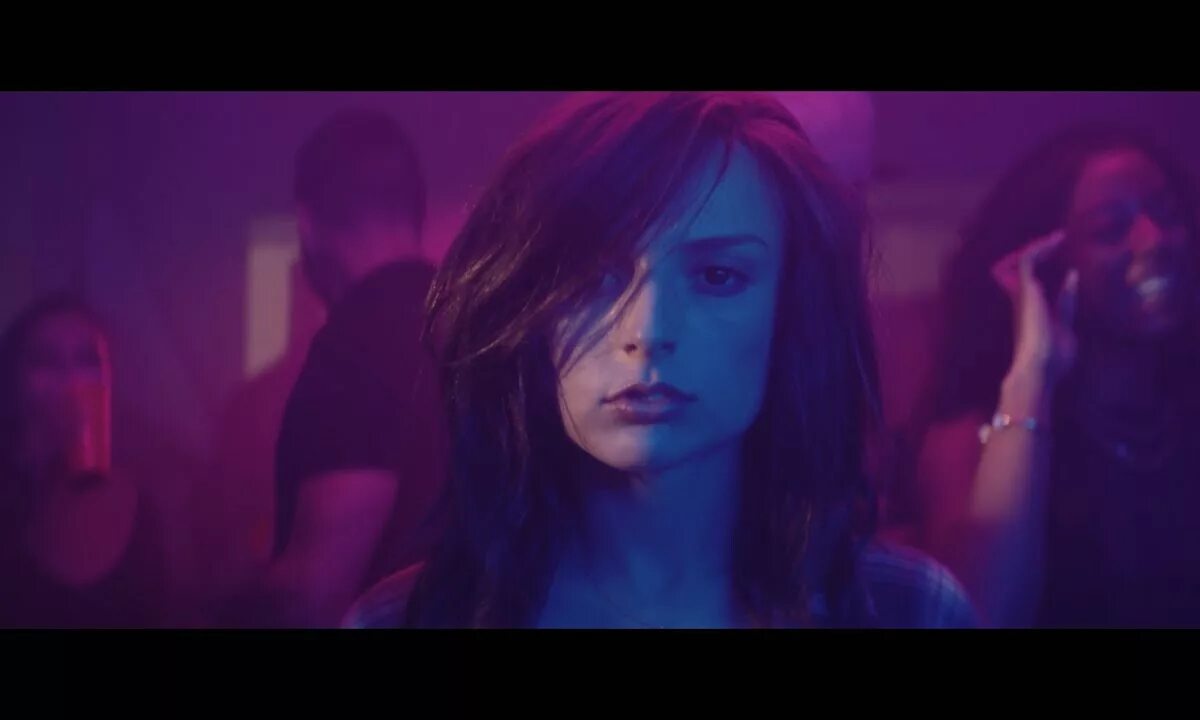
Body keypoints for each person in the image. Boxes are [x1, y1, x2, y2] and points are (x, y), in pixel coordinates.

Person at [345, 92, 975, 629]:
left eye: (718, 276)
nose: (646, 331)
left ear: (790, 310)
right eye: (590, 276)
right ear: (528, 308)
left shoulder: (907, 609)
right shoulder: (405, 620)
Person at [903, 125, 1200, 627]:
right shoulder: (967, 440)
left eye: (1168, 214)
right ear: (1047, 264)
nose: (1155, 240)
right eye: (1110, 230)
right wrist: (1035, 371)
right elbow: (978, 614)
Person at [244, 109, 447, 627]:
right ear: (416, 210)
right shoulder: (471, 323)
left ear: (307, 225)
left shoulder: (355, 346)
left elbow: (316, 594)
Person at [0, 294, 170, 628]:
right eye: (46, 361)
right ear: (13, 378)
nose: (71, 378)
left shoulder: (143, 500)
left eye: (87, 360)